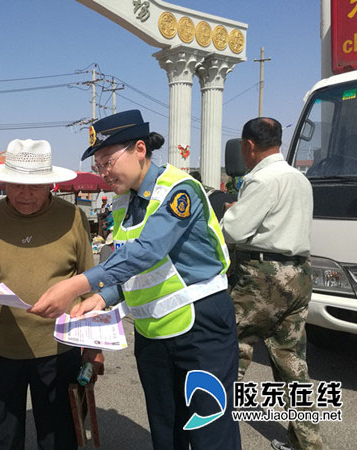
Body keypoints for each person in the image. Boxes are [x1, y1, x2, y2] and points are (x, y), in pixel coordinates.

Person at [29, 110, 241, 450]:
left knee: (209, 429)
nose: (104, 172)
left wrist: (76, 285)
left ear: (139, 149)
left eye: (108, 162)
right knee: (165, 426)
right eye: (98, 166)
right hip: (153, 330)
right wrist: (104, 297)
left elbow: (146, 252)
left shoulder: (178, 190)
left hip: (201, 328)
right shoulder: (122, 203)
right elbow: (128, 266)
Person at [0, 139, 96, 449]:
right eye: (16, 185)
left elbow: (90, 282)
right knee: (0, 439)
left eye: (34, 186)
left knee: (60, 439)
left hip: (60, 350)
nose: (24, 194)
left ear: (49, 183)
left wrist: (94, 348)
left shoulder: (72, 218)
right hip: (1, 349)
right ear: (4, 181)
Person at [222, 118, 322, 450]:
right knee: (292, 359)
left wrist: (231, 212)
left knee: (227, 348)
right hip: (300, 275)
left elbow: (234, 231)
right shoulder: (299, 178)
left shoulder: (261, 179)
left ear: (249, 146)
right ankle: (308, 442)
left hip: (263, 279)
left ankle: (214, 431)